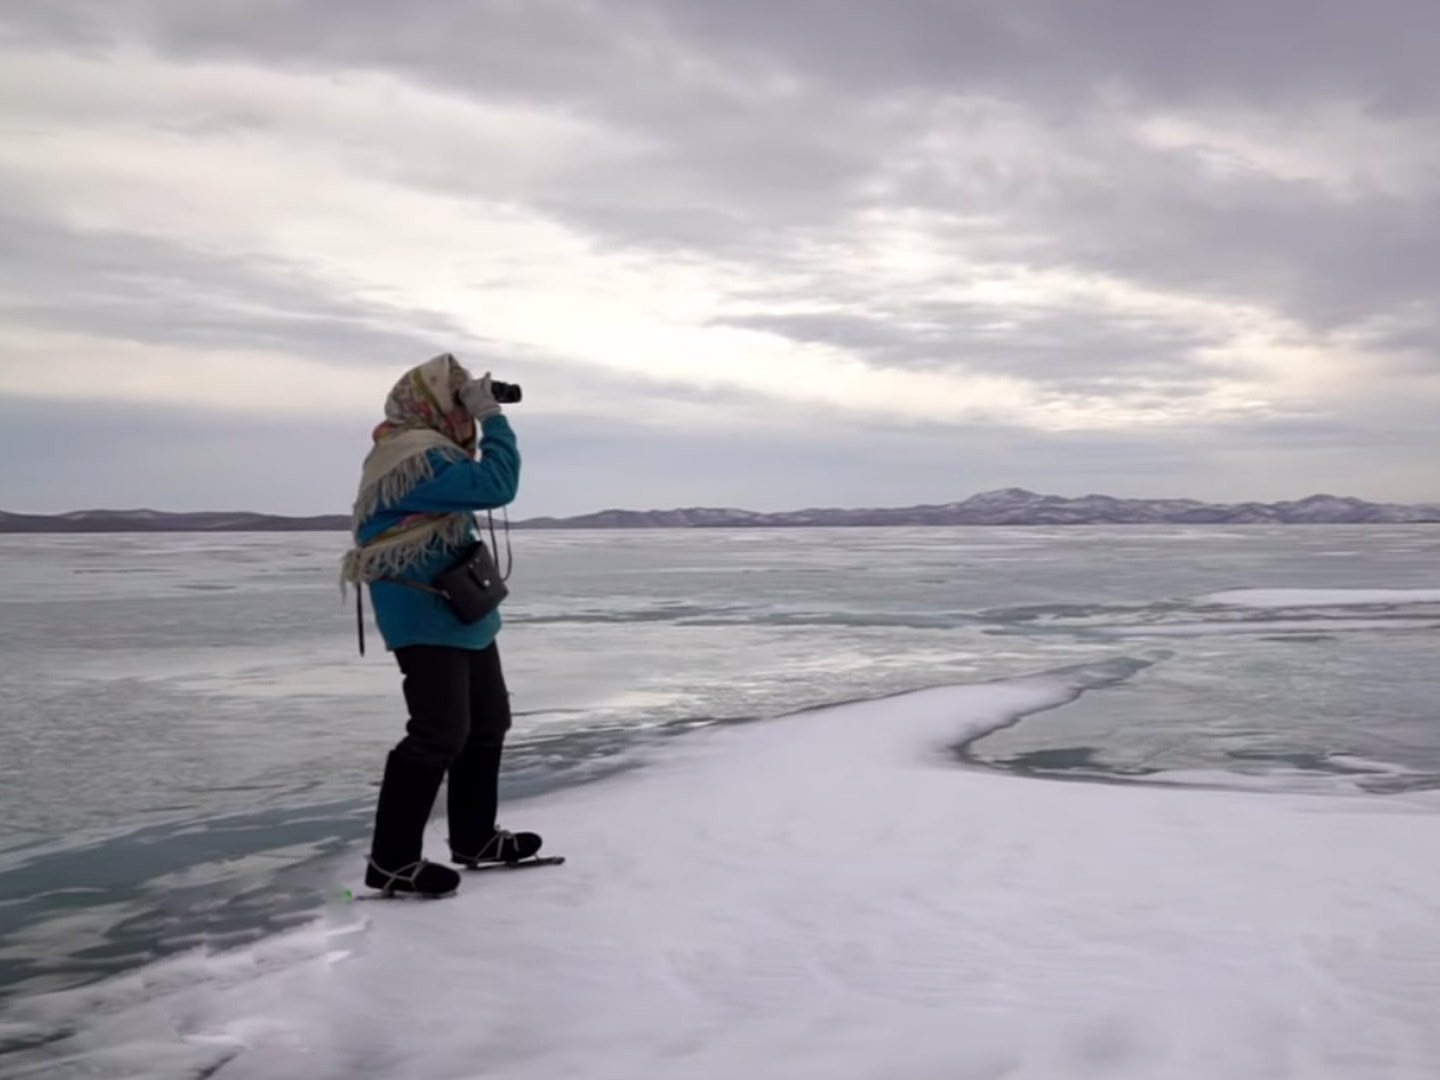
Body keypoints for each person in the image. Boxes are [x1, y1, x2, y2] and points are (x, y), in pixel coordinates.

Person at [342, 353, 540, 898]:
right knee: (438, 734)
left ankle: (474, 837)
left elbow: (478, 483)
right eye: (459, 399)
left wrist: (480, 414)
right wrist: (495, 419)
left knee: (487, 721)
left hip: (460, 605)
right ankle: (391, 861)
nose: (469, 410)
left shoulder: (437, 453)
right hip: (421, 609)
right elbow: (498, 484)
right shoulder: (410, 457)